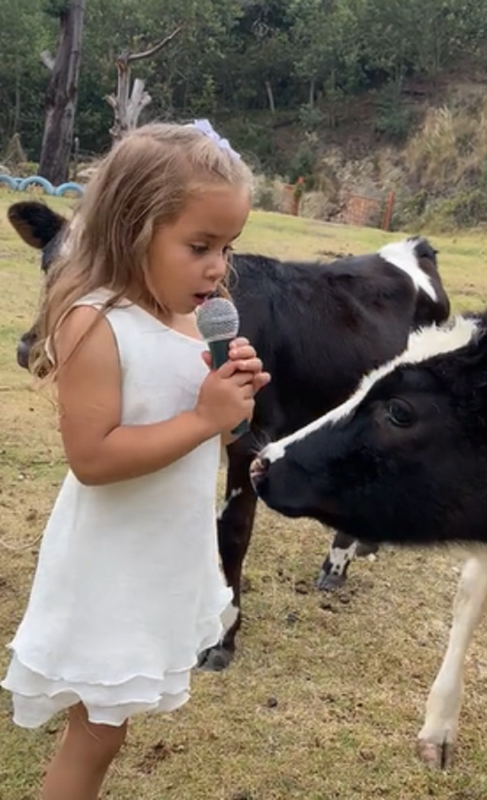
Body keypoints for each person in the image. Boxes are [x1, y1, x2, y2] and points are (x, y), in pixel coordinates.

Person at [1, 120, 270, 800]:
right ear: (132, 228)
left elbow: (218, 437)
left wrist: (232, 406)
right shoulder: (96, 322)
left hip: (162, 552)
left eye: (227, 247)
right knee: (95, 735)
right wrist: (201, 416)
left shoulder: (200, 318)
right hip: (110, 561)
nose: (218, 267)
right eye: (199, 246)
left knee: (106, 732)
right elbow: (93, 458)